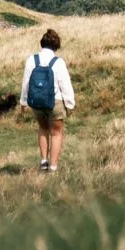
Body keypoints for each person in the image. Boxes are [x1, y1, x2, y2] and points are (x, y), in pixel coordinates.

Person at [20, 26, 75, 173]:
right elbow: (65, 84)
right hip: (55, 102)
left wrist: (23, 102)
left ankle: (44, 161)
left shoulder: (32, 60)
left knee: (43, 129)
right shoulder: (58, 62)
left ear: (42, 44)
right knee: (56, 133)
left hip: (36, 102)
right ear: (56, 46)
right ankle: (53, 167)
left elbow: (26, 82)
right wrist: (70, 104)